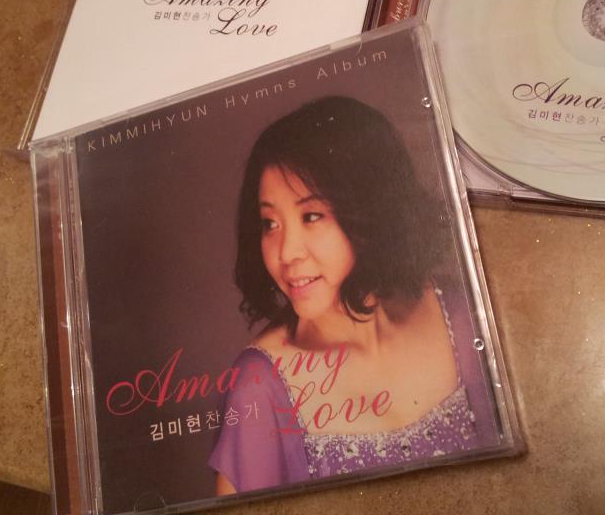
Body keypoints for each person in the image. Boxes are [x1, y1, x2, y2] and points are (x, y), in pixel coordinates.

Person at [209, 96, 495, 494]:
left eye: (311, 216)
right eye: (269, 223)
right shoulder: (258, 384)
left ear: (369, 210)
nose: (286, 252)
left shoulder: (461, 312)